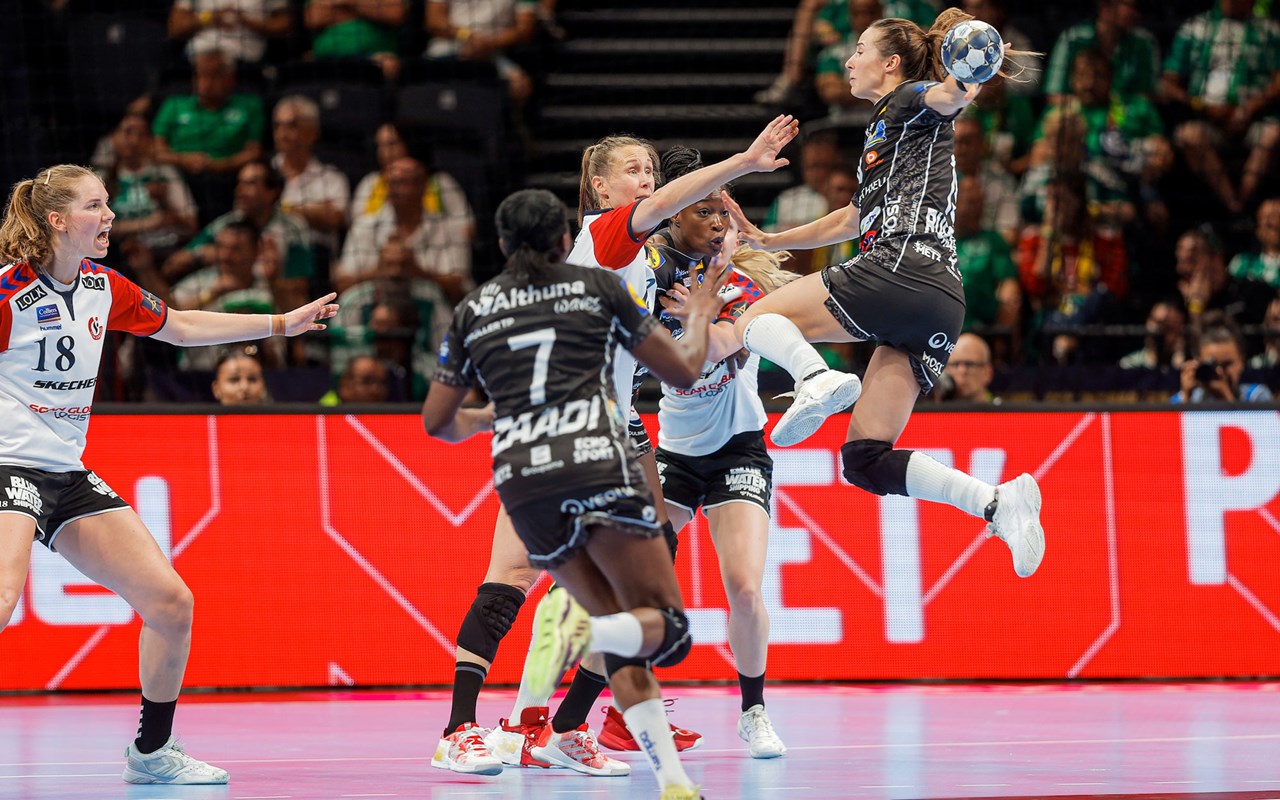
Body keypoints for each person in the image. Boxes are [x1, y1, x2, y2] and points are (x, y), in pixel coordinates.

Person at [429, 117, 799, 778]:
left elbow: (677, 353)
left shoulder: (640, 262)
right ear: (599, 189)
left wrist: (717, 290)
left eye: (650, 168)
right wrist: (744, 160)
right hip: (564, 433)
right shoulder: (608, 236)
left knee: (628, 591)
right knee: (527, 580)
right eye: (632, 170)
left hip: (617, 432)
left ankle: (574, 725)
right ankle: (470, 726)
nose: (647, 179)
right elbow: (664, 213)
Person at [0, 163, 338, 785]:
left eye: (107, 204)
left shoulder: (103, 286)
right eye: (95, 207)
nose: (109, 217)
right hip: (7, 464)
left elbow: (180, 326)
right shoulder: (6, 293)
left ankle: (151, 754)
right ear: (57, 220)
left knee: (171, 603)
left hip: (65, 472)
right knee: (2, 597)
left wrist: (281, 323)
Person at [722, 10, 1046, 578]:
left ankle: (816, 377)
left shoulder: (906, 101)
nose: (849, 60)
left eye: (860, 50)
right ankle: (997, 503)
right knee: (865, 461)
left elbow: (946, 97)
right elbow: (851, 218)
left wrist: (969, 75)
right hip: (941, 298)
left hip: (898, 267)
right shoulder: (887, 133)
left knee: (751, 318)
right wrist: (771, 237)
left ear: (890, 64)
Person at [644, 146, 794, 759]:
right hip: (674, 453)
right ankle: (622, 706)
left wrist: (703, 311)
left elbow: (726, 345)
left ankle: (754, 709)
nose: (715, 223)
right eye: (701, 212)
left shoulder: (739, 281)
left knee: (744, 586)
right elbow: (677, 371)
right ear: (673, 218)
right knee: (637, 579)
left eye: (721, 214)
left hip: (738, 446)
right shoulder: (651, 281)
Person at [1173, 314, 1274, 402]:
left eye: (1227, 364)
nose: (1220, 371)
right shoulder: (1184, 398)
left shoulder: (1257, 397)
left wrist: (1226, 397)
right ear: (1199, 363)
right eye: (1212, 364)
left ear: (1242, 361)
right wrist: (1186, 397)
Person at [936, 332, 999, 403]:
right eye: (955, 365)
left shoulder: (1002, 412)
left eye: (970, 364)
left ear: (988, 373)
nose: (962, 371)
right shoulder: (932, 411)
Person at [319, 354, 389, 404]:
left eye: (382, 383)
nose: (375, 390)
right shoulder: (323, 415)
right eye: (366, 382)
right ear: (345, 385)